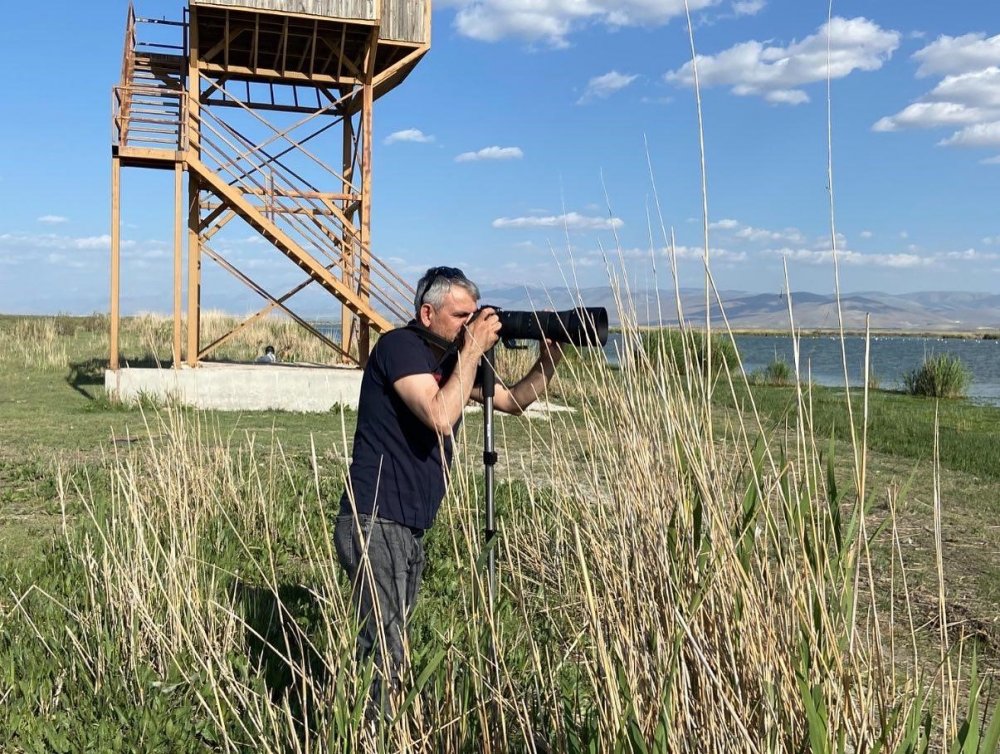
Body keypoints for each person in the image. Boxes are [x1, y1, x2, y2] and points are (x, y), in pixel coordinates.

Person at [334, 265, 562, 717]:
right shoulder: (399, 347)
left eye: (474, 315)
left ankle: (379, 727)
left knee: (392, 641)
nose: (471, 324)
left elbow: (514, 402)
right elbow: (440, 415)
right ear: (427, 312)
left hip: (408, 527)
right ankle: (370, 734)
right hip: (374, 519)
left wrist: (550, 358)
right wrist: (473, 351)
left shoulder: (448, 362)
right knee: (385, 647)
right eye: (461, 316)